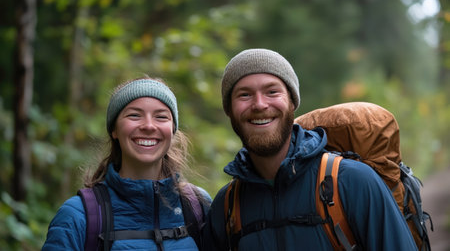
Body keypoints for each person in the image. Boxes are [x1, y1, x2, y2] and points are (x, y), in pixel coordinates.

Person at [201, 48, 418, 250]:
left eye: (272, 91)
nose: (259, 104)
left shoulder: (353, 182)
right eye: (244, 95)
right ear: (229, 110)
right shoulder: (227, 206)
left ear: (292, 103)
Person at [43, 77, 211, 250]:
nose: (148, 126)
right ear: (114, 130)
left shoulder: (198, 206)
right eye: (134, 115)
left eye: (161, 117)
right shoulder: (78, 215)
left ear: (172, 130)